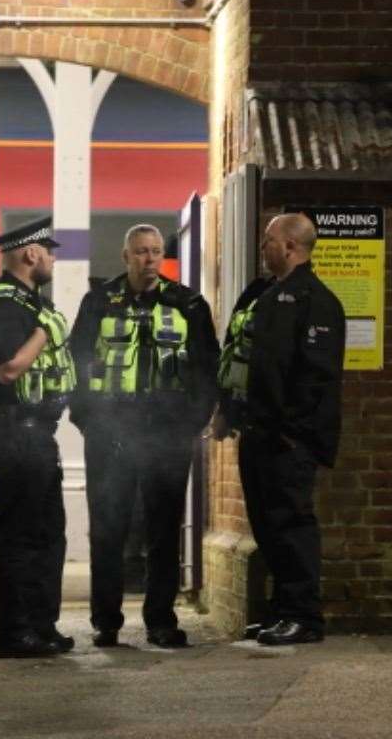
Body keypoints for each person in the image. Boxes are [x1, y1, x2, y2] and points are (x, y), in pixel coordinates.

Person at [68, 224, 219, 649]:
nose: (148, 259)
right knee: (107, 528)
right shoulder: (98, 302)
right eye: (140, 252)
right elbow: (76, 360)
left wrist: (190, 424)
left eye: (155, 251)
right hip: (110, 434)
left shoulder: (188, 303)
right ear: (125, 256)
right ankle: (106, 621)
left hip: (167, 436)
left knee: (163, 529)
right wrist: (89, 420)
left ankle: (160, 621)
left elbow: (209, 368)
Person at [216, 213, 346, 646]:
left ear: (290, 246)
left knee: (291, 525)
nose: (262, 246)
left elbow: (316, 377)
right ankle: (280, 612)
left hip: (287, 439)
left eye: (269, 240)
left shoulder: (316, 300)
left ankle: (303, 617)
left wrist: (293, 432)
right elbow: (242, 357)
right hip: (257, 431)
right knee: (267, 527)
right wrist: (228, 410)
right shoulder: (262, 294)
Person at [0, 217, 77, 658]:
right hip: (15, 433)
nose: (52, 259)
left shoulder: (29, 304)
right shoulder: (3, 307)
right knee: (21, 537)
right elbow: (8, 368)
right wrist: (46, 330)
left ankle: (41, 626)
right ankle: (14, 634)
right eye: (48, 252)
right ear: (31, 254)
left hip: (36, 434)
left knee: (48, 534)